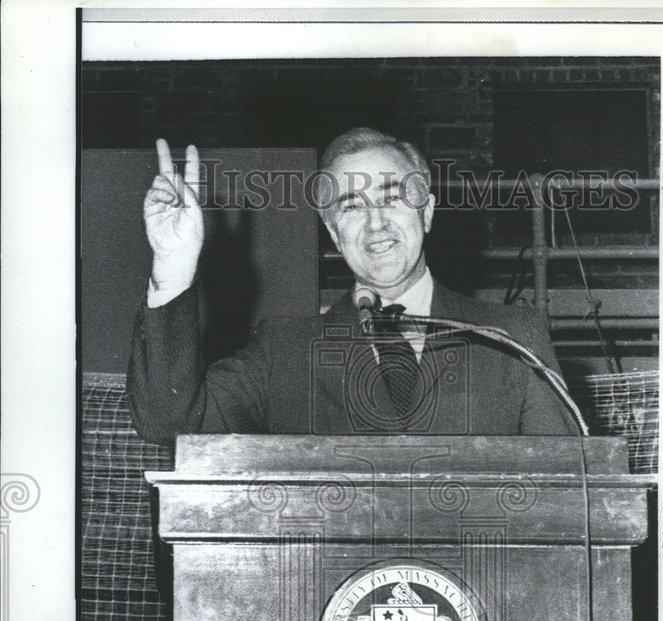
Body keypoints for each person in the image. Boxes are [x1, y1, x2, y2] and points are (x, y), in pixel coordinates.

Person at [128, 128, 572, 443]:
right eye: (351, 207)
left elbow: (573, 495)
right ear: (334, 232)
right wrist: (174, 262)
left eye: (392, 198)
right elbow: (167, 423)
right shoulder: (282, 350)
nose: (376, 224)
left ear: (428, 213)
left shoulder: (514, 340)